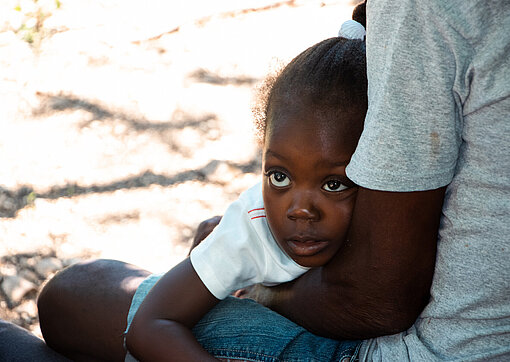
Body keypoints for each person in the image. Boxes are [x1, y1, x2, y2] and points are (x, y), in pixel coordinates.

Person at [37, 0, 510, 360]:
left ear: (375, 167)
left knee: (82, 291)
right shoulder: (251, 231)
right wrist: (229, 266)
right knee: (70, 289)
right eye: (279, 175)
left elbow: (376, 303)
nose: (300, 208)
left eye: (335, 184)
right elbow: (151, 324)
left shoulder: (392, 219)